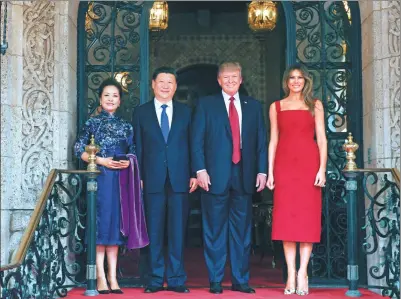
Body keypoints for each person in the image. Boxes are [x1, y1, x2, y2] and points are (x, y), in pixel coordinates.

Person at [191, 62, 267, 294]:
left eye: (235, 77)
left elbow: (261, 142)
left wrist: (262, 171)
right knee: (214, 230)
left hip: (244, 175)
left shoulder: (253, 106)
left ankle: (240, 279)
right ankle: (215, 279)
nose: (231, 81)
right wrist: (200, 170)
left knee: (242, 232)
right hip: (214, 176)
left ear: (241, 79)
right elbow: (196, 141)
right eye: (226, 77)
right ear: (218, 80)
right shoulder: (206, 105)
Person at [74, 78, 149, 295]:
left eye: (115, 96)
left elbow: (134, 151)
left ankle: (113, 276)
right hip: (99, 179)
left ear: (120, 100)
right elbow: (79, 149)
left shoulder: (126, 125)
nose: (110, 99)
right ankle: (99, 276)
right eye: (107, 95)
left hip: (121, 180)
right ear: (100, 98)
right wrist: (101, 161)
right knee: (101, 226)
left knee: (115, 227)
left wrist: (129, 161)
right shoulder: (91, 124)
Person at [132, 67, 198, 294]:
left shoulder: (186, 112)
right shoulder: (141, 113)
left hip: (180, 179)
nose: (166, 86)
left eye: (170, 82)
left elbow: (193, 145)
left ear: (176, 86)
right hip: (151, 179)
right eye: (161, 81)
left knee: (178, 231)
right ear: (153, 84)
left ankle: (177, 278)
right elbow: (138, 147)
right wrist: (138, 176)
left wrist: (194, 173)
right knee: (155, 231)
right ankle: (155, 278)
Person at [266, 64, 327, 296]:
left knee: (306, 220)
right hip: (284, 167)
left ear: (306, 81)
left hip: (309, 167)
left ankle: (303, 272)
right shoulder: (276, 107)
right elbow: (273, 140)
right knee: (287, 221)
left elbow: (322, 139)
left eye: (299, 78)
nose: (295, 81)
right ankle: (290, 272)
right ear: (286, 81)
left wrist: (322, 169)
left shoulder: (315, 105)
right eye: (291, 77)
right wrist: (270, 171)